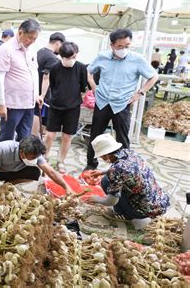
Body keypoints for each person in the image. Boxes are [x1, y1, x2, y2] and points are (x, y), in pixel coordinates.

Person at [85, 29, 158, 171]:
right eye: (120, 46)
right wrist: (93, 85)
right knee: (95, 136)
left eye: (127, 46)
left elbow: (153, 76)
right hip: (102, 102)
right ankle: (90, 164)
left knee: (122, 138)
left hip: (122, 103)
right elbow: (89, 70)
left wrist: (140, 93)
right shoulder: (102, 57)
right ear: (112, 45)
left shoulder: (137, 59)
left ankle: (123, 168)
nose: (124, 49)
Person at [86, 133, 170, 227]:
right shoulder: (130, 153)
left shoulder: (116, 170)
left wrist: (96, 199)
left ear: (106, 155)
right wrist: (102, 172)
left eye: (101, 156)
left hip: (144, 211)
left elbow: (111, 201)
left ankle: (123, 214)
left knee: (106, 182)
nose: (101, 158)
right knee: (107, 179)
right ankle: (130, 210)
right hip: (159, 202)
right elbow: (124, 170)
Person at [0, 135, 72, 205]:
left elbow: (51, 172)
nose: (34, 159)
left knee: (35, 173)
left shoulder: (34, 153)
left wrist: (66, 187)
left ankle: (6, 186)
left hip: (11, 172)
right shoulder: (4, 150)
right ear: (22, 152)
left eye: (36, 157)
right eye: (32, 157)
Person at [41, 42, 87, 173]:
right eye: (67, 58)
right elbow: (53, 85)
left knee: (67, 137)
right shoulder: (55, 68)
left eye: (73, 57)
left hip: (73, 108)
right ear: (61, 56)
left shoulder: (81, 68)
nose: (70, 61)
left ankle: (61, 161)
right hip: (55, 106)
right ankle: (45, 157)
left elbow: (83, 88)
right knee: (49, 135)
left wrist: (77, 100)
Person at [0, 18, 42, 142]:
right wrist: (1, 104)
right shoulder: (5, 49)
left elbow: (34, 72)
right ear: (20, 32)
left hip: (29, 103)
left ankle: (20, 161)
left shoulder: (31, 50)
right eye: (30, 38)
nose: (31, 41)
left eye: (34, 38)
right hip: (12, 103)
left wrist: (36, 94)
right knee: (7, 138)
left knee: (25, 137)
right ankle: (3, 161)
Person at [33, 32, 66, 136]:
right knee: (37, 113)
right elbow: (46, 77)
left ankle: (33, 135)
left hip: (34, 89)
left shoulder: (40, 51)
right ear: (58, 43)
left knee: (34, 112)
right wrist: (42, 95)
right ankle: (34, 136)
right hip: (41, 91)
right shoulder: (52, 58)